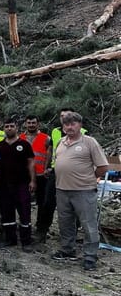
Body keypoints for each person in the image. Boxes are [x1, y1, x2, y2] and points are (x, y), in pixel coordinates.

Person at [51, 112, 108, 271]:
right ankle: (67, 250)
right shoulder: (61, 142)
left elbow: (103, 167)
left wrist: (89, 178)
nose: (69, 127)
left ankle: (90, 256)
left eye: (73, 124)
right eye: (66, 124)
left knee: (88, 224)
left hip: (84, 190)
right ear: (63, 127)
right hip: (62, 189)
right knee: (65, 223)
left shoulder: (90, 142)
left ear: (80, 125)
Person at [42, 108, 88, 243]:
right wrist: (47, 167)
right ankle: (43, 230)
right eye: (62, 116)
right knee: (48, 202)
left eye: (67, 116)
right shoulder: (55, 132)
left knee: (73, 204)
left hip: (75, 175)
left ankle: (72, 233)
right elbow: (50, 150)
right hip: (55, 172)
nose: (64, 118)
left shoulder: (84, 134)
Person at [0, 118, 36, 251]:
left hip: (22, 184)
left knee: (24, 212)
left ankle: (26, 241)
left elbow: (31, 162)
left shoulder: (24, 144)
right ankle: (10, 239)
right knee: (7, 213)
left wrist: (32, 180)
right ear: (3, 129)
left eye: (11, 126)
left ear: (17, 128)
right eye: (6, 126)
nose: (9, 128)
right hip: (4, 185)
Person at [20, 115, 52, 243]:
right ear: (25, 124)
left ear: (38, 124)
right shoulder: (20, 137)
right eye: (29, 123)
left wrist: (46, 169)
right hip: (24, 175)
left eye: (33, 123)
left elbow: (49, 155)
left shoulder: (46, 138)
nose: (31, 125)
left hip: (41, 176)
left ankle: (41, 229)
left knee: (42, 204)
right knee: (23, 202)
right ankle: (24, 225)